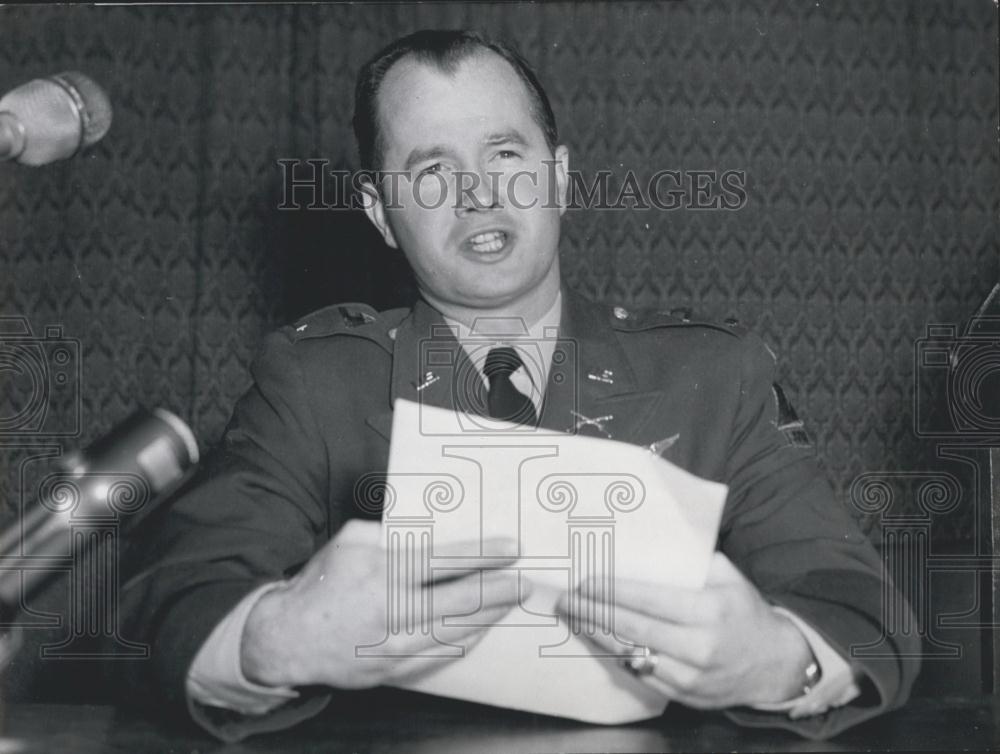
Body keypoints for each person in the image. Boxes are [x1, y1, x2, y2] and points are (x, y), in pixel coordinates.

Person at [118, 29, 920, 743]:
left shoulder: (713, 375)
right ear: (379, 212)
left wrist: (780, 664)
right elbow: (172, 597)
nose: (479, 192)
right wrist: (272, 640)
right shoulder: (315, 382)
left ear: (560, 177)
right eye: (432, 169)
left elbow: (860, 608)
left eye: (505, 155)